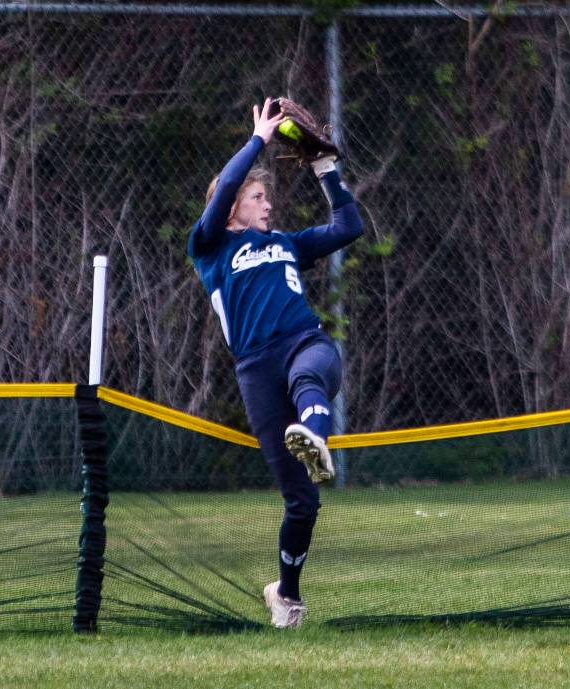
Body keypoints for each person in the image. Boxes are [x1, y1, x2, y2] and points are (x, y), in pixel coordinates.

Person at [187, 98, 364, 628]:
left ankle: (315, 438)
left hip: (303, 340)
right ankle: (285, 594)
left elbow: (347, 225)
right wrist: (259, 139)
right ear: (235, 201)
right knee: (302, 502)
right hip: (257, 370)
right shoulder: (211, 248)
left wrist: (325, 170)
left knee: (312, 373)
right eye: (258, 196)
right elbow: (216, 205)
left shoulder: (286, 243)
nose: (268, 204)